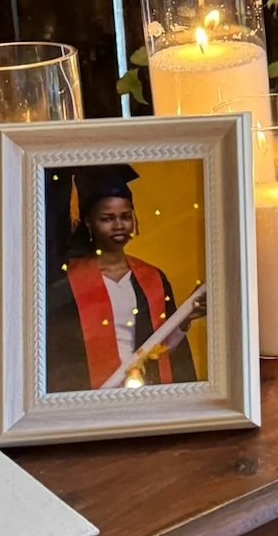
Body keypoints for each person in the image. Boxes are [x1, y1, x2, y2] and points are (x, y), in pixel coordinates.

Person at [44, 165, 203, 393]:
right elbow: (62, 356)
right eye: (107, 218)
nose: (119, 225)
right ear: (88, 223)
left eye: (125, 216)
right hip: (95, 397)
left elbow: (159, 350)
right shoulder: (69, 281)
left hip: (145, 391)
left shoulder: (152, 276)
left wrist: (184, 319)